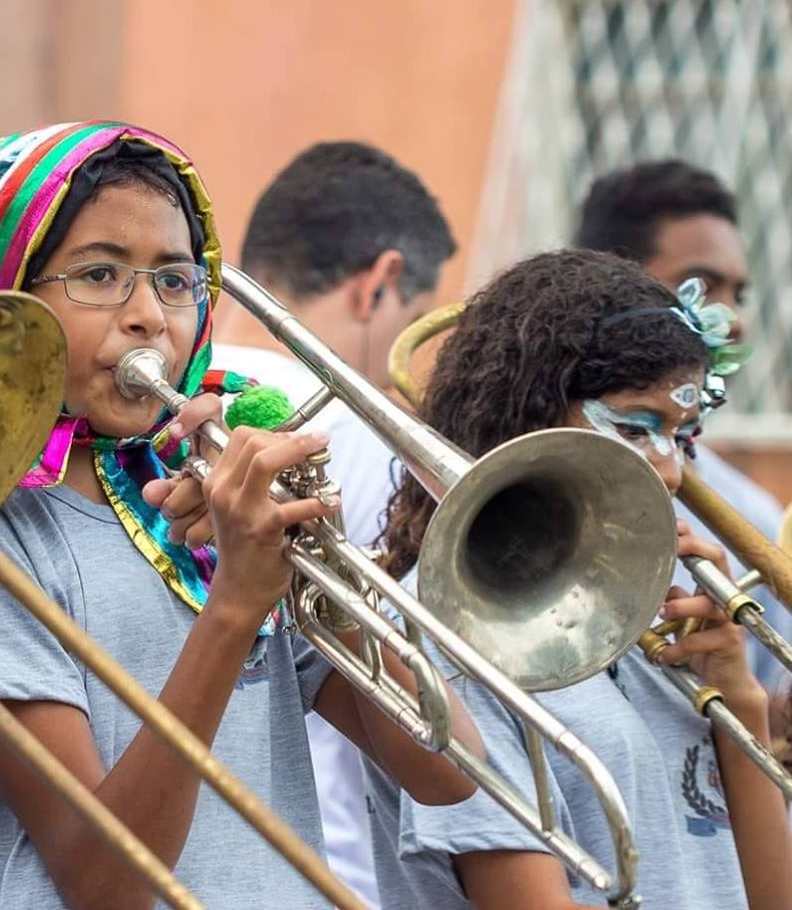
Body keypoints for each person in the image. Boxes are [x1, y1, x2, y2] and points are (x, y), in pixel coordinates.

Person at [0, 122, 479, 910]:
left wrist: (319, 561)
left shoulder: (193, 491)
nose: (149, 316)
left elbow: (446, 772)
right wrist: (237, 602)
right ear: (6, 299)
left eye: (176, 281)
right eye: (99, 275)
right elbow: (107, 881)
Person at [367, 249, 792, 910]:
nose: (672, 472)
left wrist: (739, 697)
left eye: (682, 437)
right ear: (528, 420)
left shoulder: (659, 610)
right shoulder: (447, 630)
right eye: (632, 428)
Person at [213, 140, 455, 905]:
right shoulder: (367, 444)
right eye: (412, 318)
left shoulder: (147, 409)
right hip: (327, 870)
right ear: (381, 283)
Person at [575, 159, 790, 692]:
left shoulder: (752, 517)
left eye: (739, 294)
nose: (733, 317)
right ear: (611, 283)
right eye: (702, 286)